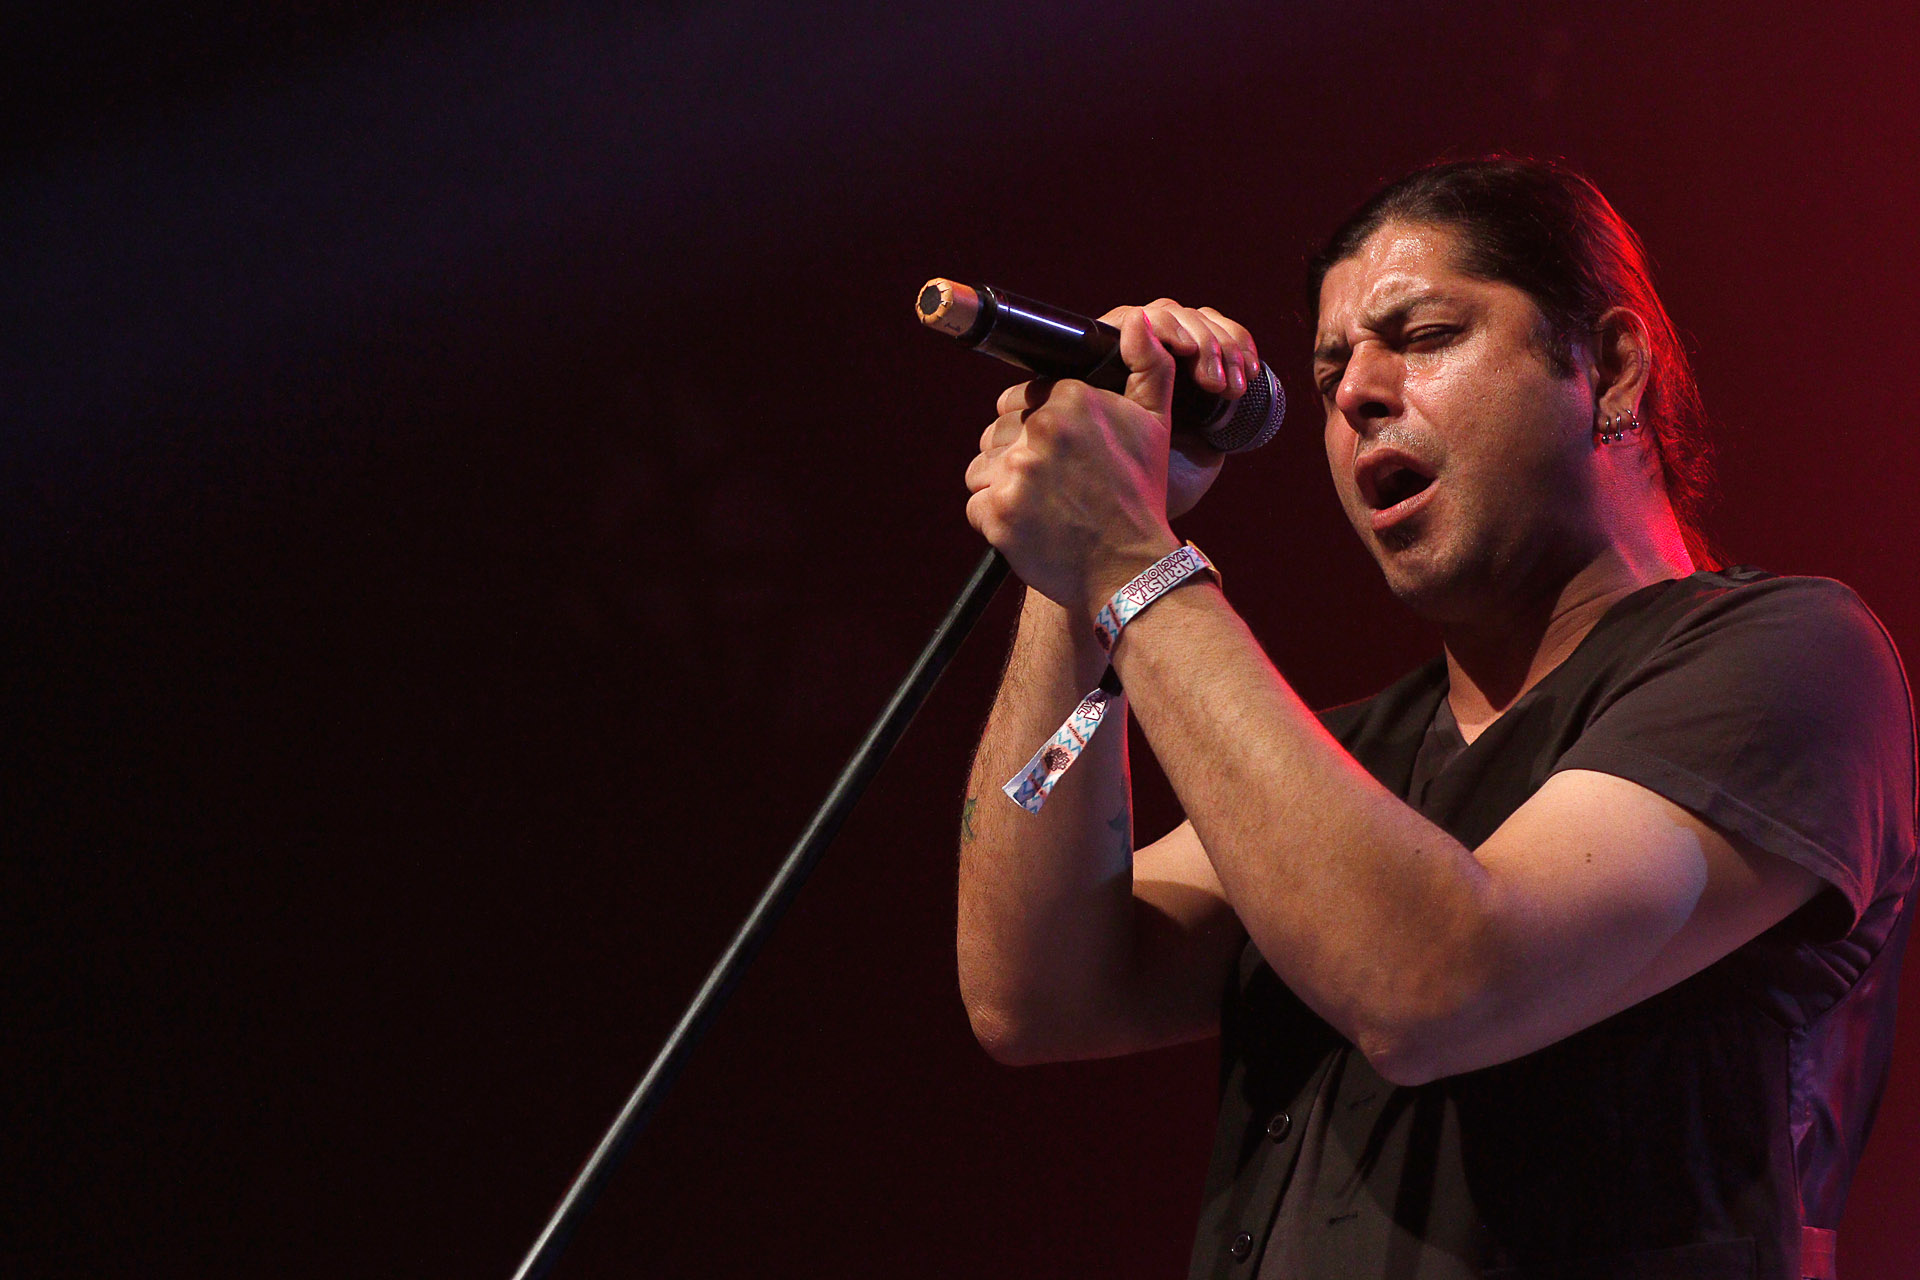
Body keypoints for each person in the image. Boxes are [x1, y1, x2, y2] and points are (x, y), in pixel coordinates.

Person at [954, 156, 1916, 1280]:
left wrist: (1131, 556)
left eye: (1422, 336)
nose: (1355, 393)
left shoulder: (1796, 657)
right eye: (1329, 372)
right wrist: (1070, 580)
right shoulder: (1348, 758)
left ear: (1609, 368)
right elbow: (1036, 989)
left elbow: (1433, 981)